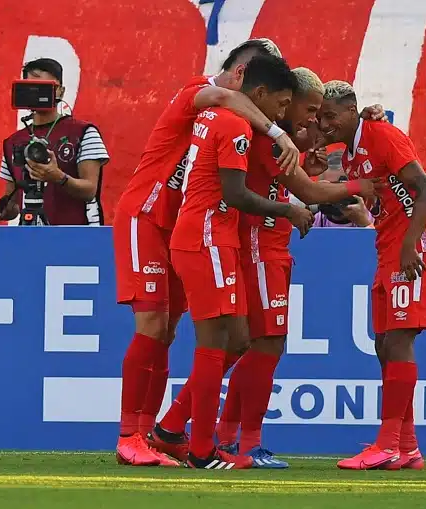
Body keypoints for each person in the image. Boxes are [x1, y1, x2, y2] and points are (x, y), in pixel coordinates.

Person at [112, 38, 300, 467]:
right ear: (241, 74)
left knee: (169, 330)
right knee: (153, 323)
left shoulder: (228, 116)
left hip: (181, 225)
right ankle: (130, 435)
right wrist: (275, 132)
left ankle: (155, 433)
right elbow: (223, 95)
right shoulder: (197, 92)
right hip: (146, 214)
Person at [213, 68, 380, 468]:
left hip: (269, 245)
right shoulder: (268, 138)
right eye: (307, 109)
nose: (311, 119)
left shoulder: (278, 137)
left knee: (257, 346)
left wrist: (317, 154)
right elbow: (306, 191)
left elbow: (301, 163)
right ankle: (241, 441)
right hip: (258, 245)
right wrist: (361, 185)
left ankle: (220, 436)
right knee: (262, 345)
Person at [168, 54, 313, 469]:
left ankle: (173, 429)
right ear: (261, 93)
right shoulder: (234, 126)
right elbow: (235, 195)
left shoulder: (217, 115)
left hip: (207, 235)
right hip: (208, 235)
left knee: (237, 339)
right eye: (282, 104)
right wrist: (288, 210)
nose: (282, 114)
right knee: (217, 344)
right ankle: (199, 450)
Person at [318, 80, 426, 471]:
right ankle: (406, 447)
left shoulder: (382, 135)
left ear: (351, 110)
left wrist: (411, 245)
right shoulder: (353, 149)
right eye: (320, 116)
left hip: (413, 251)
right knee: (383, 346)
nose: (325, 124)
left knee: (398, 343)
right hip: (388, 251)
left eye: (331, 115)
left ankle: (388, 443)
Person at [0, 58, 109, 226]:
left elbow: (90, 190)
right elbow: (13, 203)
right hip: (29, 239)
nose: (37, 93)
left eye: (45, 88)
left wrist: (59, 177)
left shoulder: (84, 132)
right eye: (31, 88)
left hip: (77, 239)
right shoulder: (12, 143)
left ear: (61, 91)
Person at [311, 150, 374, 228]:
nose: (334, 196)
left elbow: (383, 239)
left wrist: (364, 224)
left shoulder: (379, 217)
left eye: (340, 187)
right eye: (327, 188)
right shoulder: (310, 223)